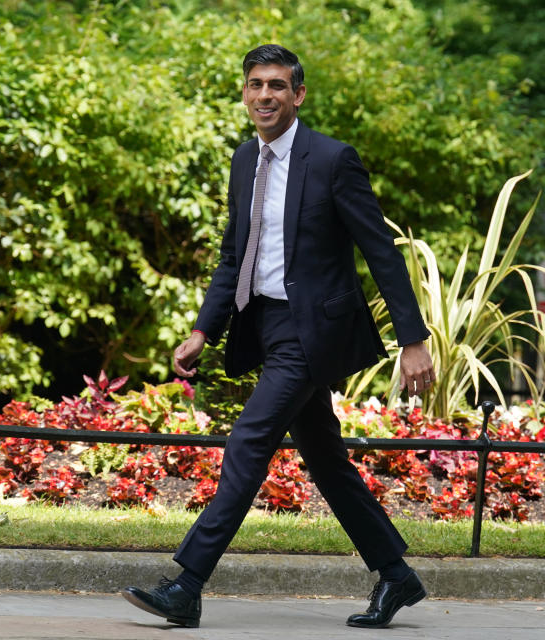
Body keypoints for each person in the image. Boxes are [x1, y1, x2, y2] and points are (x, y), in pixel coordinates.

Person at [122, 44, 436, 630]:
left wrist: (411, 339)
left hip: (312, 330)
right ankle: (396, 576)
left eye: (276, 86)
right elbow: (232, 255)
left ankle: (187, 584)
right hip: (263, 323)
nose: (264, 96)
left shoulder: (333, 159)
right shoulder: (246, 159)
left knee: (248, 442)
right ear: (245, 93)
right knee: (325, 458)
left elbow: (380, 252)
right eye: (254, 85)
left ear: (298, 95)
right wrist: (202, 329)